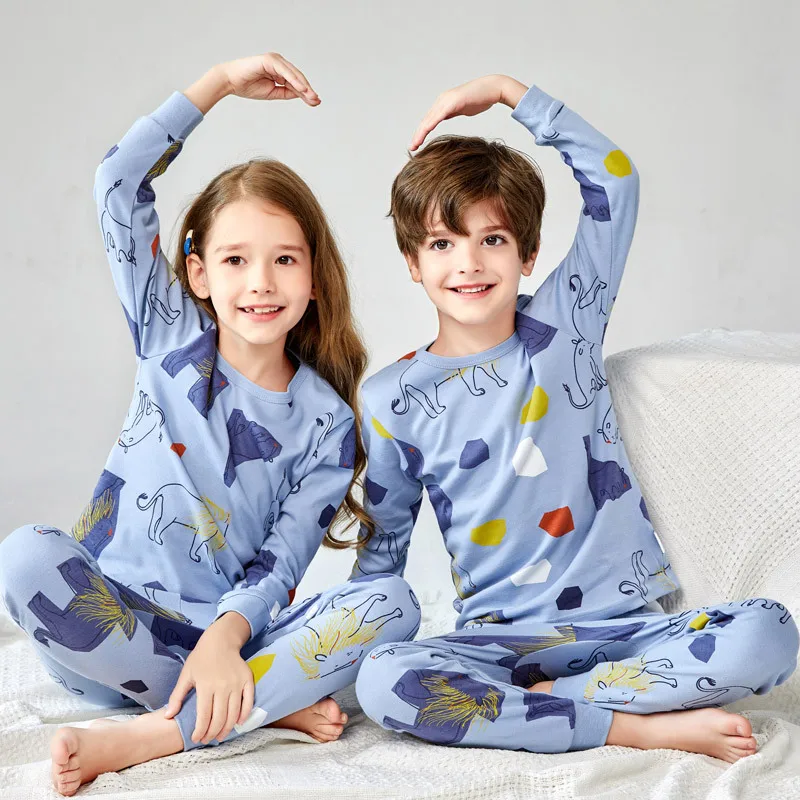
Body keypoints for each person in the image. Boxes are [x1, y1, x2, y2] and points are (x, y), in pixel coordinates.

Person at [0, 52, 420, 796]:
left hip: (226, 636)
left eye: (284, 259)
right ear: (198, 274)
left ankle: (163, 731)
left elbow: (279, 566)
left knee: (393, 605)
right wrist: (220, 84)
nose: (260, 282)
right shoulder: (168, 334)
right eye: (235, 260)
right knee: (23, 557)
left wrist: (225, 641)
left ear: (314, 278)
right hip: (106, 637)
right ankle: (261, 704)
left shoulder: (327, 422)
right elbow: (118, 181)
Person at [351, 73, 798, 763]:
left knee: (769, 632)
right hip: (498, 645)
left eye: (492, 239)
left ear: (528, 253)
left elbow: (615, 181)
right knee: (386, 682)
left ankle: (559, 705)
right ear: (412, 262)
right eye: (442, 244)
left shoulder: (565, 326)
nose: (468, 263)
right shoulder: (392, 400)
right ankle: (629, 724)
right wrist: (337, 666)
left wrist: (509, 93)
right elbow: (383, 554)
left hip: (627, 632)